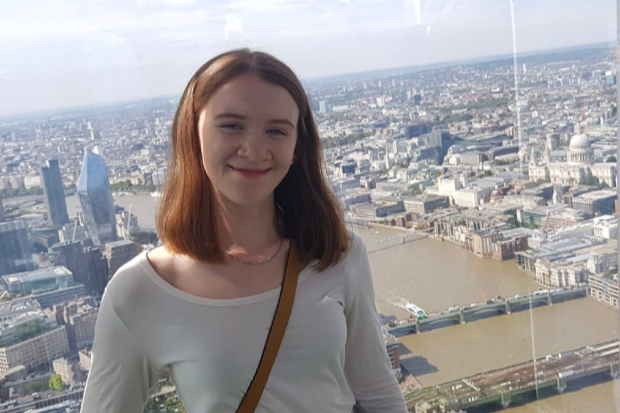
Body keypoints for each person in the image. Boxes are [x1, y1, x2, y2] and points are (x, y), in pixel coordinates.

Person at [80, 49, 407, 413]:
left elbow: (379, 395)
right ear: (192, 132)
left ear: (297, 146)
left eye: (277, 131)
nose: (254, 149)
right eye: (232, 125)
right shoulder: (141, 290)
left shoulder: (337, 255)